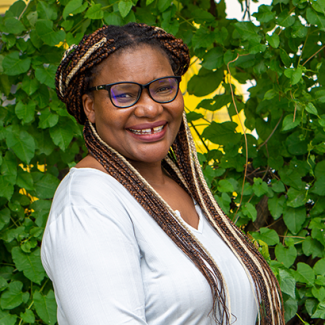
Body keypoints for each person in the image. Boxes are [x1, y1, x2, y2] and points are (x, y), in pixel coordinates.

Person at [41, 23, 284, 325]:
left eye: (163, 88)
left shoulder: (185, 188)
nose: (150, 108)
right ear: (90, 107)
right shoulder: (89, 204)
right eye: (125, 94)